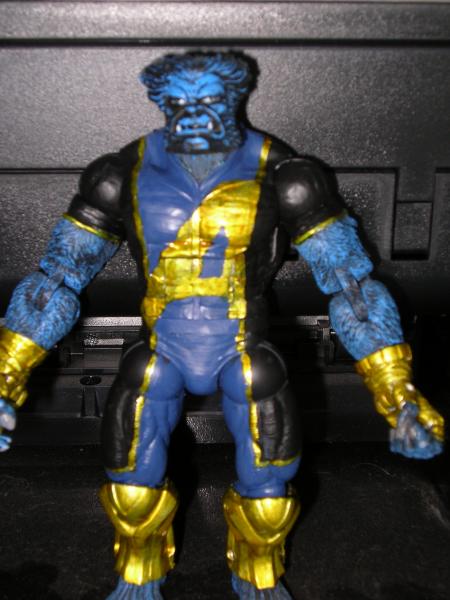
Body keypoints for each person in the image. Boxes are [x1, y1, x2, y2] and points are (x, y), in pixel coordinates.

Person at [0, 51, 443, 600]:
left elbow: (350, 286)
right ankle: (138, 572)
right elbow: (57, 277)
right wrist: (8, 375)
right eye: (179, 102)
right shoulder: (121, 174)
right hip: (161, 348)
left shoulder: (287, 176)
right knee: (132, 491)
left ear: (235, 97)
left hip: (244, 348)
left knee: (269, 493)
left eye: (208, 100)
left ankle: (258, 571)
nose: (194, 114)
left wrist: (396, 393)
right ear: (160, 103)